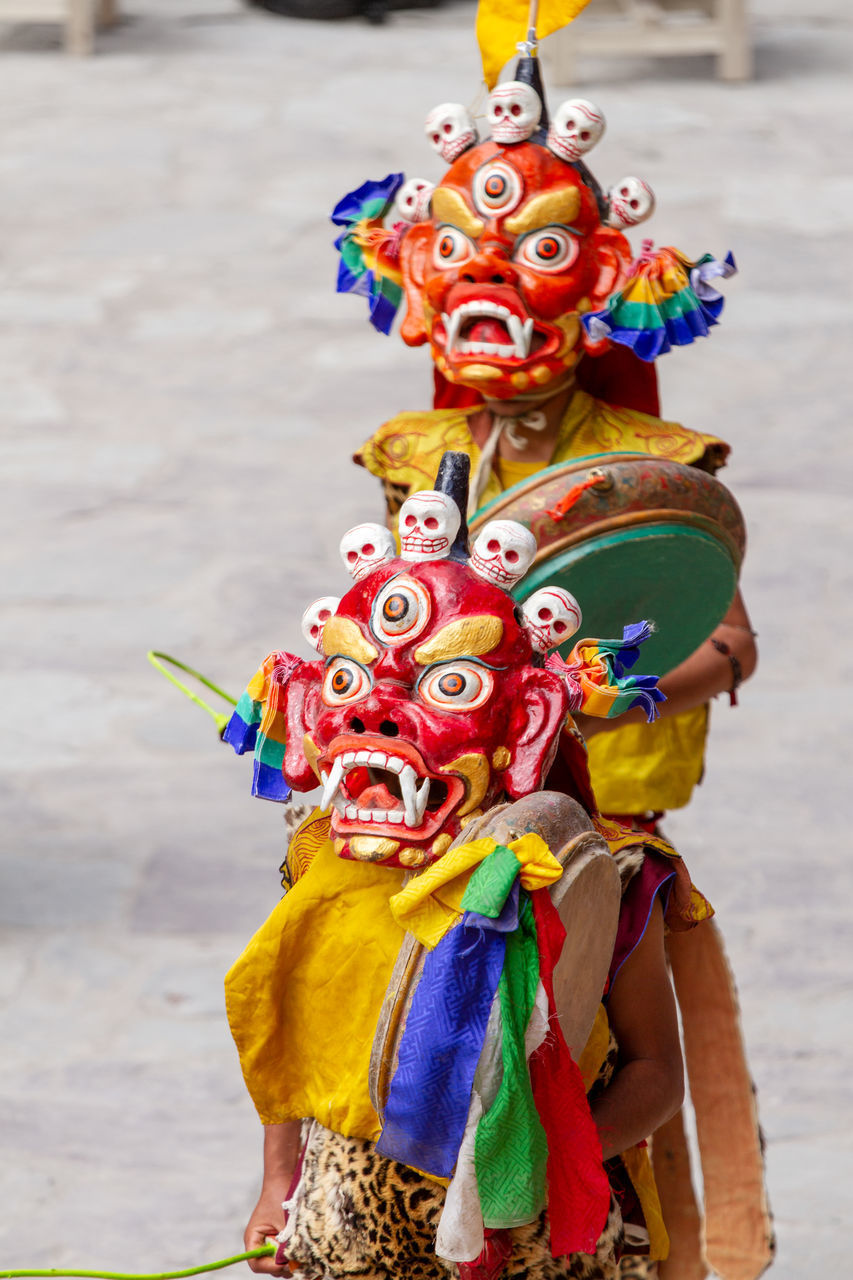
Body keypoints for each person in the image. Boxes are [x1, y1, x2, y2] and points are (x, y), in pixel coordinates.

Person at [224, 463, 714, 1277]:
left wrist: (536, 1163)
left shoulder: (605, 876)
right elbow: (300, 1038)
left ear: (524, 724)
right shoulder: (323, 856)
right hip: (348, 1228)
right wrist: (280, 1184)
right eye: (349, 681)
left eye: (445, 685)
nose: (376, 712)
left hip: (536, 1238)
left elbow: (657, 1070)